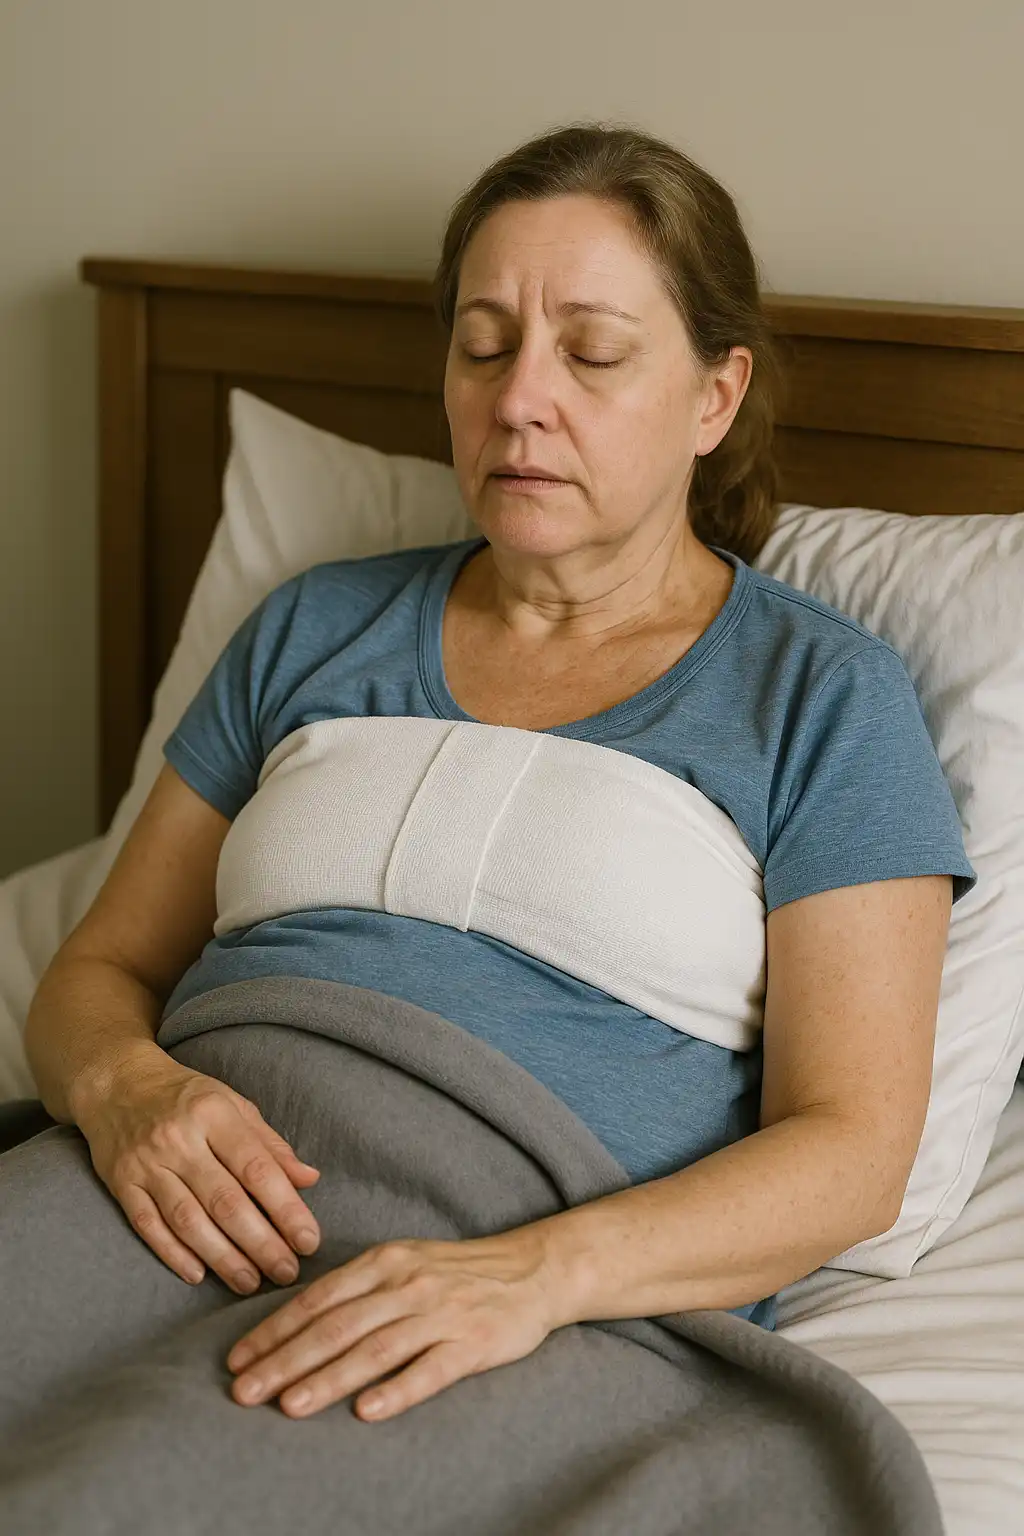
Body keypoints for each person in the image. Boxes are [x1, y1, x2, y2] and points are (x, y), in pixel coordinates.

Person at [21, 122, 975, 1426]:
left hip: (508, 1296)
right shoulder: (312, 628)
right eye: (483, 345)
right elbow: (99, 972)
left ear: (714, 395)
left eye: (591, 352)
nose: (520, 397)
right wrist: (126, 1089)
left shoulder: (817, 695)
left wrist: (530, 1278)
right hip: (153, 1204)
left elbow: (854, 1152)